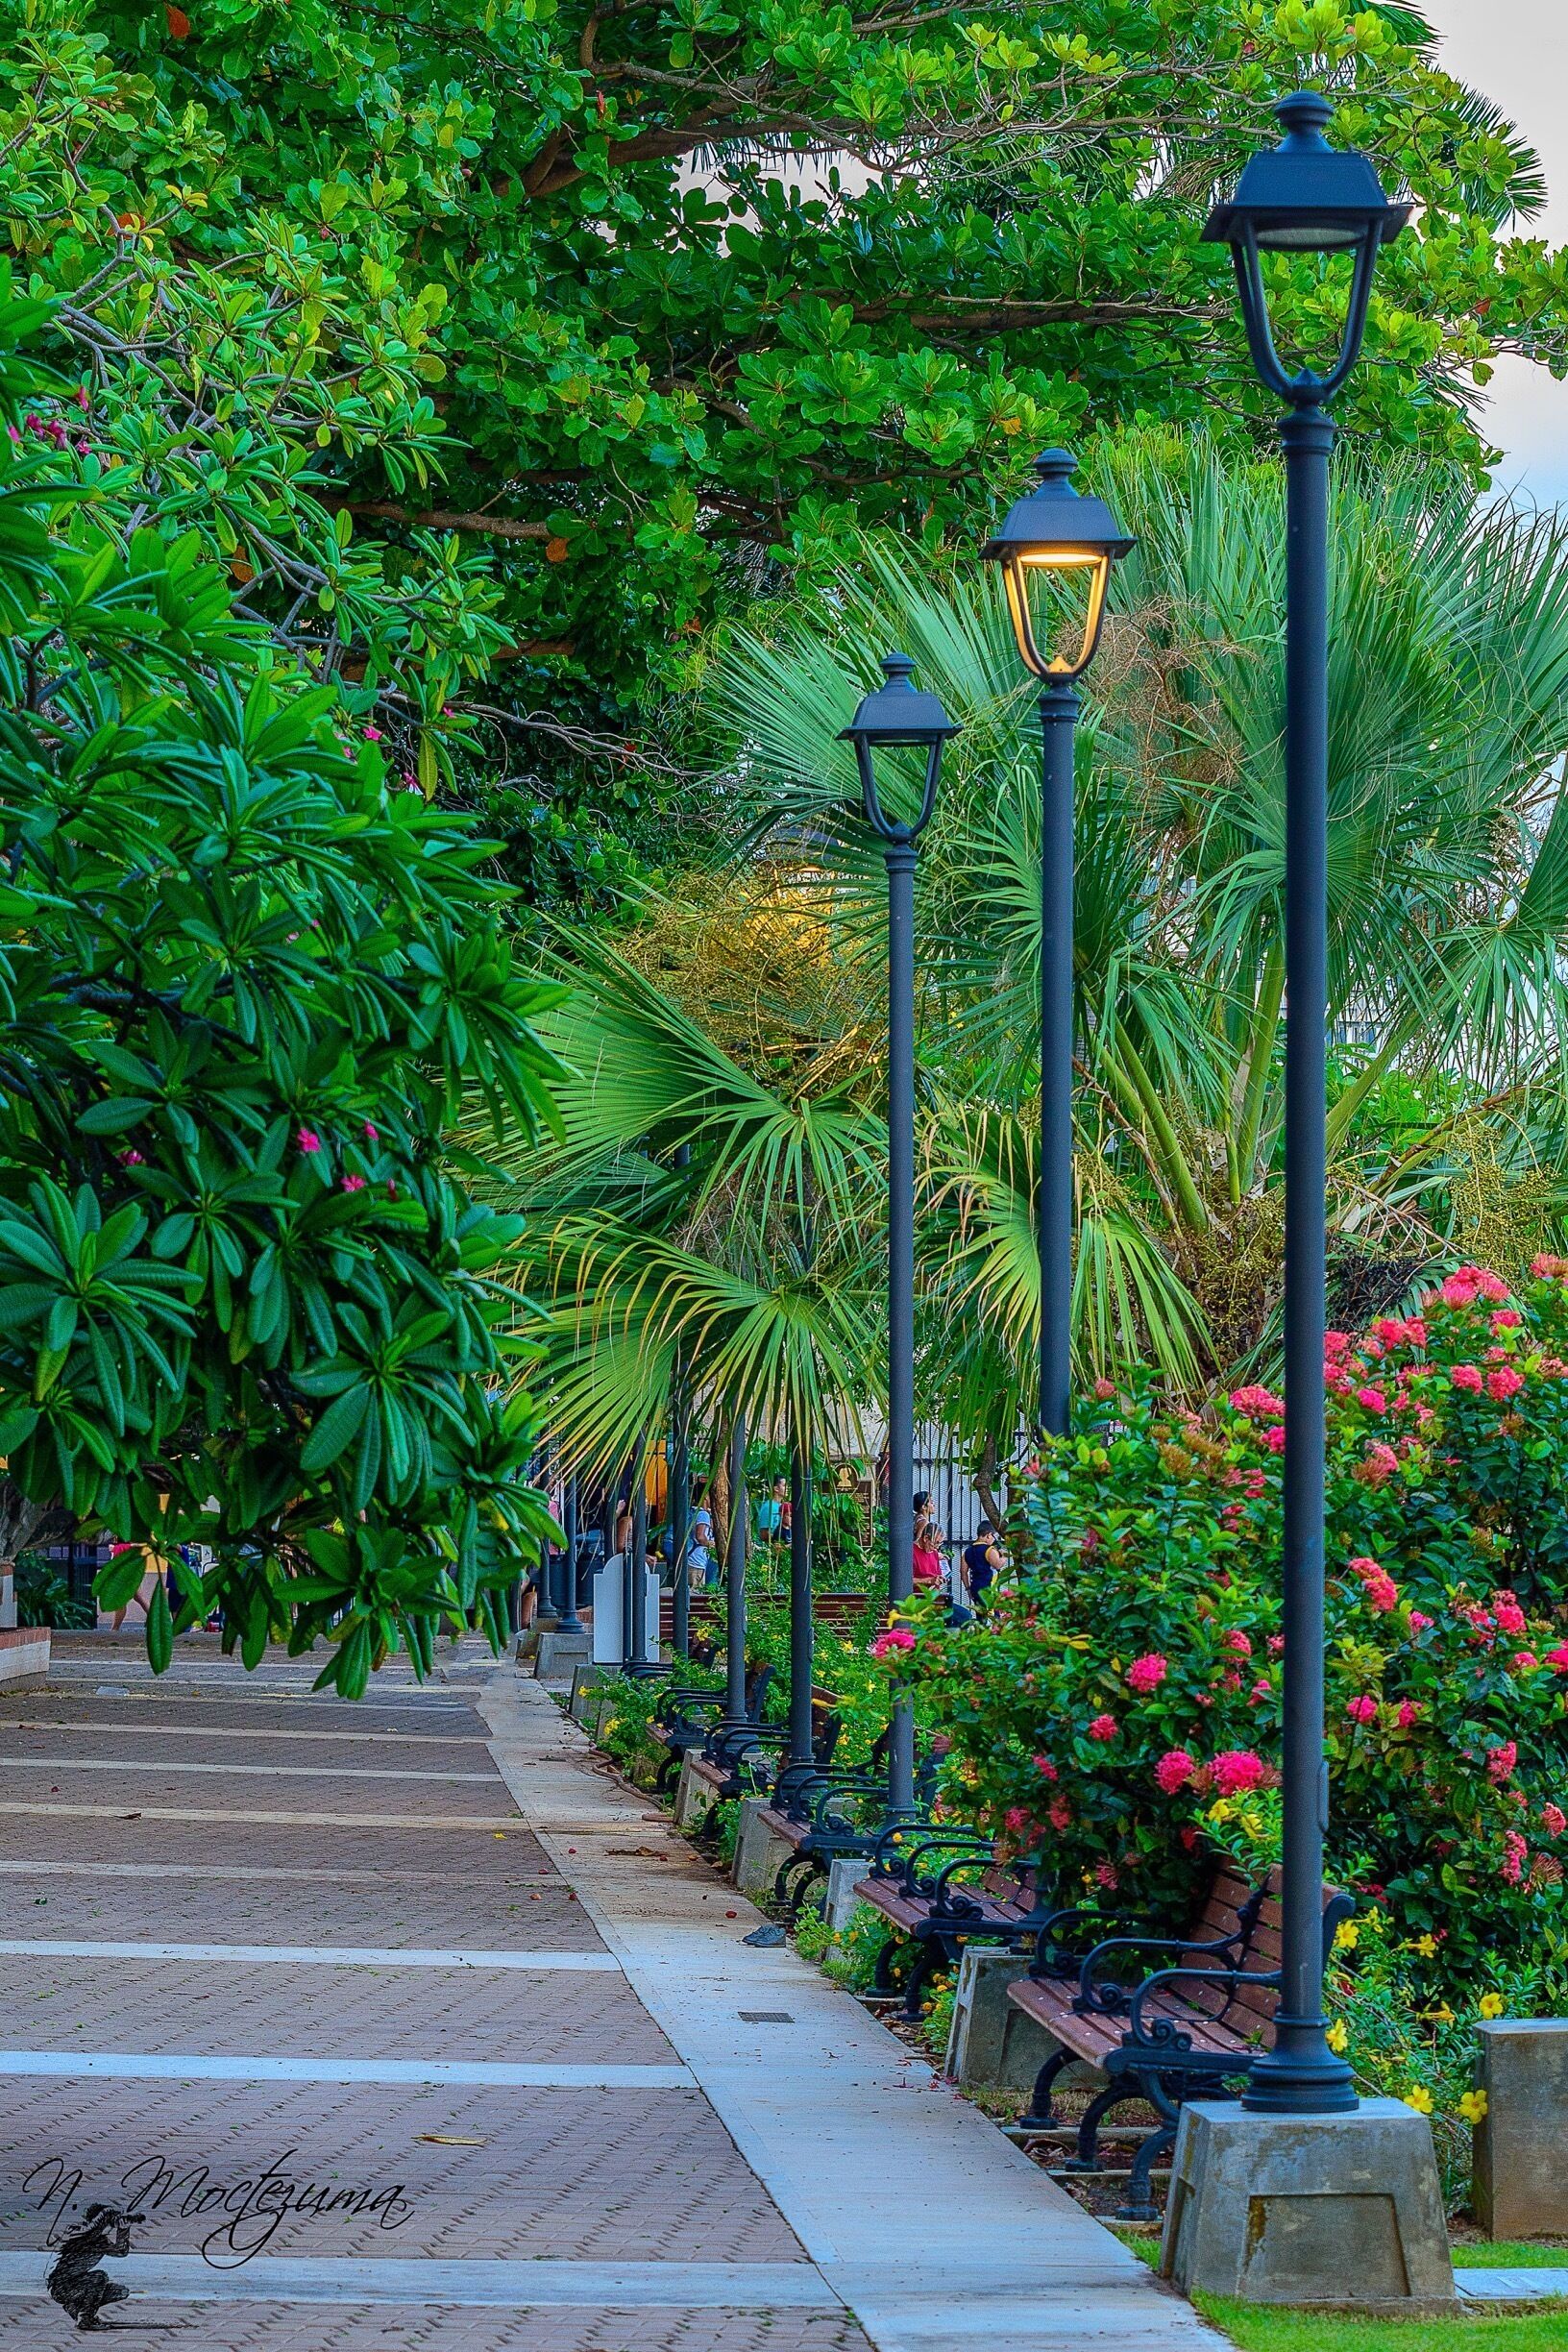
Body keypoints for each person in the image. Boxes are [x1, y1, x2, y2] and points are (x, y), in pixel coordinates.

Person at [961, 1521, 1005, 1612]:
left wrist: (968, 1588)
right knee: (993, 1617)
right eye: (993, 1536)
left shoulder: (967, 1552)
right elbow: (997, 1565)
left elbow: (963, 1572)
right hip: (988, 1588)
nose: (994, 1539)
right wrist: (1005, 1556)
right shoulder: (989, 1550)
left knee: (981, 1617)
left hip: (975, 1588)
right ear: (989, 1535)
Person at [912, 1518, 945, 1592]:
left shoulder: (934, 1553)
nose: (937, 1547)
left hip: (934, 1598)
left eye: (940, 1543)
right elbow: (905, 1582)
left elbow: (937, 1574)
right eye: (936, 1543)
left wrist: (940, 1578)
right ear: (926, 1538)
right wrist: (929, 1580)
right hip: (917, 1599)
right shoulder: (911, 1552)